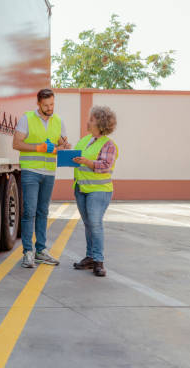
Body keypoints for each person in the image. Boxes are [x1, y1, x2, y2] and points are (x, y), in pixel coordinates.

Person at [13, 88, 70, 268]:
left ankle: (41, 251)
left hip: (49, 173)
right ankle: (28, 253)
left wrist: (64, 146)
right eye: (46, 105)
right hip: (31, 171)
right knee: (29, 211)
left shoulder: (59, 122)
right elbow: (16, 143)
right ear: (38, 103)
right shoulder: (27, 118)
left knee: (43, 212)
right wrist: (39, 148)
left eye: (52, 104)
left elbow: (63, 144)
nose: (49, 108)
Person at [71, 106, 119, 277]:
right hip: (82, 188)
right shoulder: (85, 140)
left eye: (91, 119)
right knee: (88, 224)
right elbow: (77, 157)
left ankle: (98, 261)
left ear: (100, 123)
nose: (88, 121)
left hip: (99, 191)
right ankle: (90, 257)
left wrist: (86, 162)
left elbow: (104, 165)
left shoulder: (108, 144)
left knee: (95, 224)